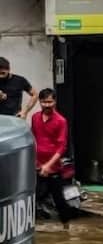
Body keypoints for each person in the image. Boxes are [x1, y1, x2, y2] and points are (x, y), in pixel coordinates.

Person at [30, 89, 76, 223]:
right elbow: (33, 139)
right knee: (32, 197)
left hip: (53, 168)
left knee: (59, 200)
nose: (47, 105)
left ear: (55, 102)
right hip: (37, 165)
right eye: (44, 102)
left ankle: (66, 227)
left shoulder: (61, 121)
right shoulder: (35, 117)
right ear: (40, 102)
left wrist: (48, 166)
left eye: (50, 102)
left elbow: (62, 147)